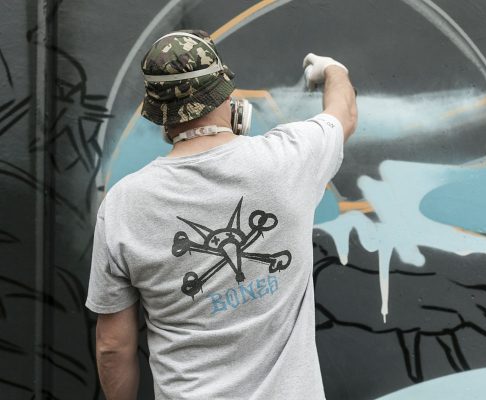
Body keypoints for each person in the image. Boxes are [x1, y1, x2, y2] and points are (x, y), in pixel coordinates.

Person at [85, 29, 357, 400]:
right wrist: (332, 70)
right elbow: (344, 114)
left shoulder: (123, 204)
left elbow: (112, 347)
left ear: (160, 114)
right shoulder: (289, 158)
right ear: (227, 96)